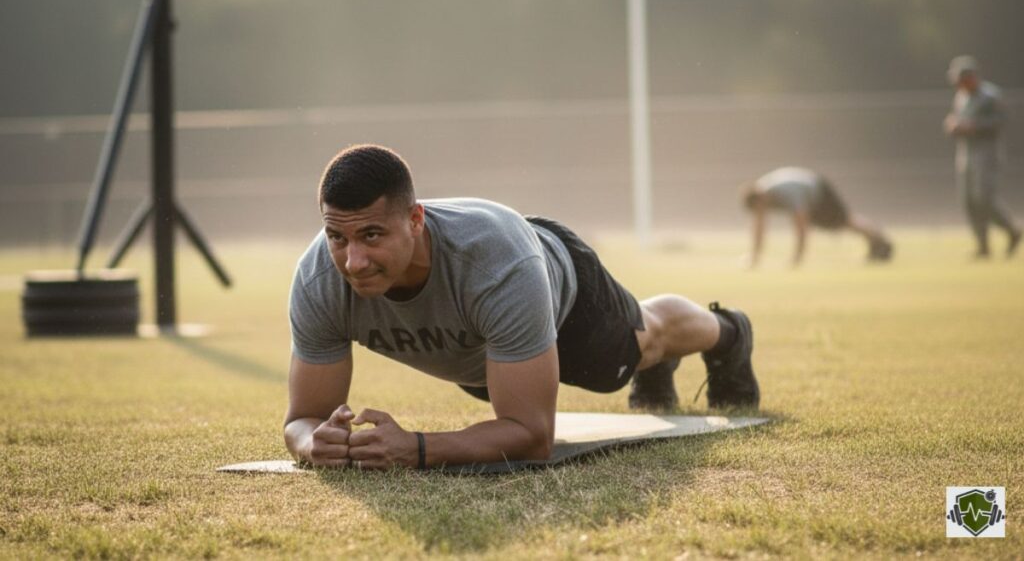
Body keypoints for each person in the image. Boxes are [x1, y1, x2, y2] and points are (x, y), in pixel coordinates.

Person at [283, 144, 760, 470]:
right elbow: (301, 420)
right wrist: (314, 443)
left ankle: (728, 332)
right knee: (496, 391)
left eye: (371, 235)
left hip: (559, 289)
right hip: (479, 343)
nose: (354, 261)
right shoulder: (318, 280)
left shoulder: (497, 267)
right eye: (336, 237)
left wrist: (417, 448)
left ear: (414, 219)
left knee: (643, 340)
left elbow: (533, 437)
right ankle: (662, 356)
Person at [943, 55, 1021, 259]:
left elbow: (1002, 121)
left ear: (971, 77)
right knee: (968, 201)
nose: (958, 84)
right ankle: (982, 245)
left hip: (987, 155)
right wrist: (953, 125)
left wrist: (975, 127)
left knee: (983, 199)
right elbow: (957, 118)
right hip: (965, 155)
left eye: (961, 79)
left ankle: (1011, 230)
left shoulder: (990, 96)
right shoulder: (961, 97)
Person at [741, 167, 892, 267]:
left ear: (761, 199)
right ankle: (875, 240)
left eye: (760, 209)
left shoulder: (787, 192)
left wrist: (797, 258)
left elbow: (801, 224)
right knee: (839, 224)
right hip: (809, 197)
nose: (761, 213)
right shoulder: (762, 196)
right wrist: (755, 258)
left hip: (819, 191)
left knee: (843, 221)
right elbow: (759, 227)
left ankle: (878, 240)